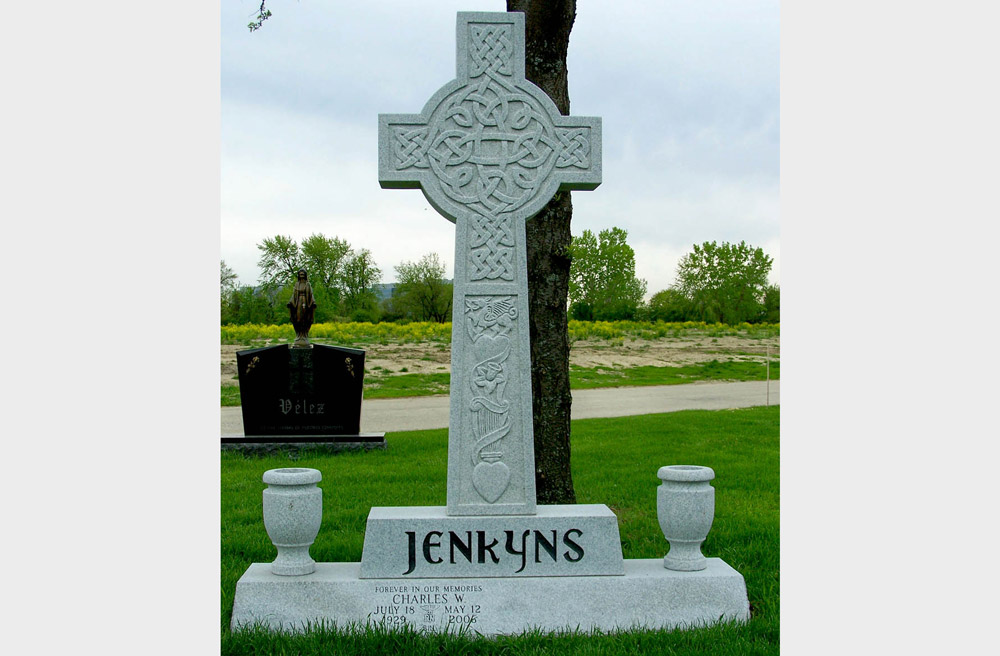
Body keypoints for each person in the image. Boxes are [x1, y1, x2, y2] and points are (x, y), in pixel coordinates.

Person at [287, 268, 317, 347]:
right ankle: (299, 335)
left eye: (303, 275)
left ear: (305, 275)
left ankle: (304, 335)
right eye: (300, 275)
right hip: (298, 302)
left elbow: (311, 294)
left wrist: (313, 302)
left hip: (306, 303)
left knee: (305, 319)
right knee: (298, 319)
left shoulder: (308, 284)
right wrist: (290, 302)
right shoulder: (297, 284)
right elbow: (294, 295)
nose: (301, 276)